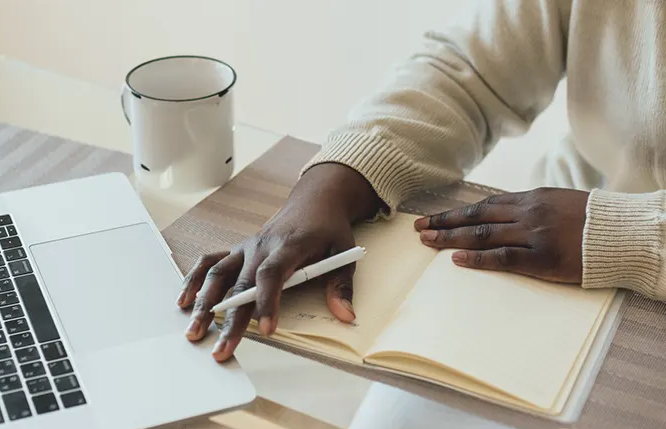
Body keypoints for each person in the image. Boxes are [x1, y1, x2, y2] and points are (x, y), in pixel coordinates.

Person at [178, 0, 666, 362]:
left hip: (614, 274)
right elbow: (469, 74)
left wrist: (629, 234)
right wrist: (334, 178)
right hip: (551, 237)